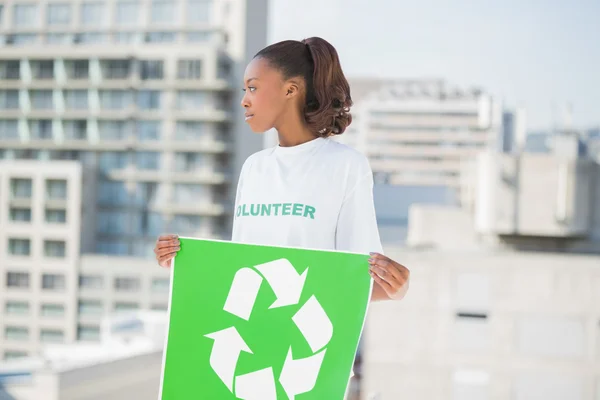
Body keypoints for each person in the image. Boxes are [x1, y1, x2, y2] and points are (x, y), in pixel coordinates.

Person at [154, 37, 409, 302]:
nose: (244, 100)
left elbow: (360, 277)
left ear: (290, 90)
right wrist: (181, 262)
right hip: (249, 333)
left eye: (252, 88)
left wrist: (397, 289)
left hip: (306, 337)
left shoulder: (345, 165)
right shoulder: (254, 167)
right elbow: (241, 272)